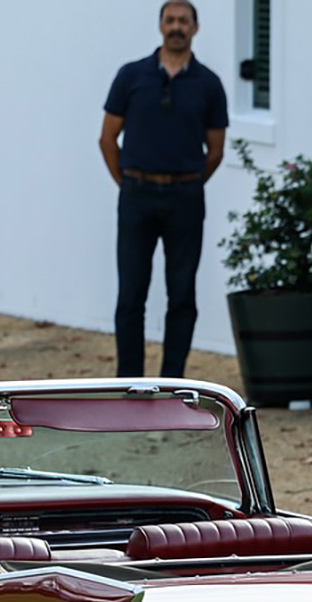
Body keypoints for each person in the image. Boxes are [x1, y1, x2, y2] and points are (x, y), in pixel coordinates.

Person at [99, 0, 228, 378]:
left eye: (183, 21)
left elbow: (216, 150)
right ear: (160, 26)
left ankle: (173, 380)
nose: (176, 27)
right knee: (130, 295)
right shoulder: (131, 76)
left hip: (185, 198)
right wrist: (127, 183)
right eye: (170, 20)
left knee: (182, 294)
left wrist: (187, 182)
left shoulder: (209, 84)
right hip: (136, 194)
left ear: (195, 28)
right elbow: (107, 139)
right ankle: (129, 383)